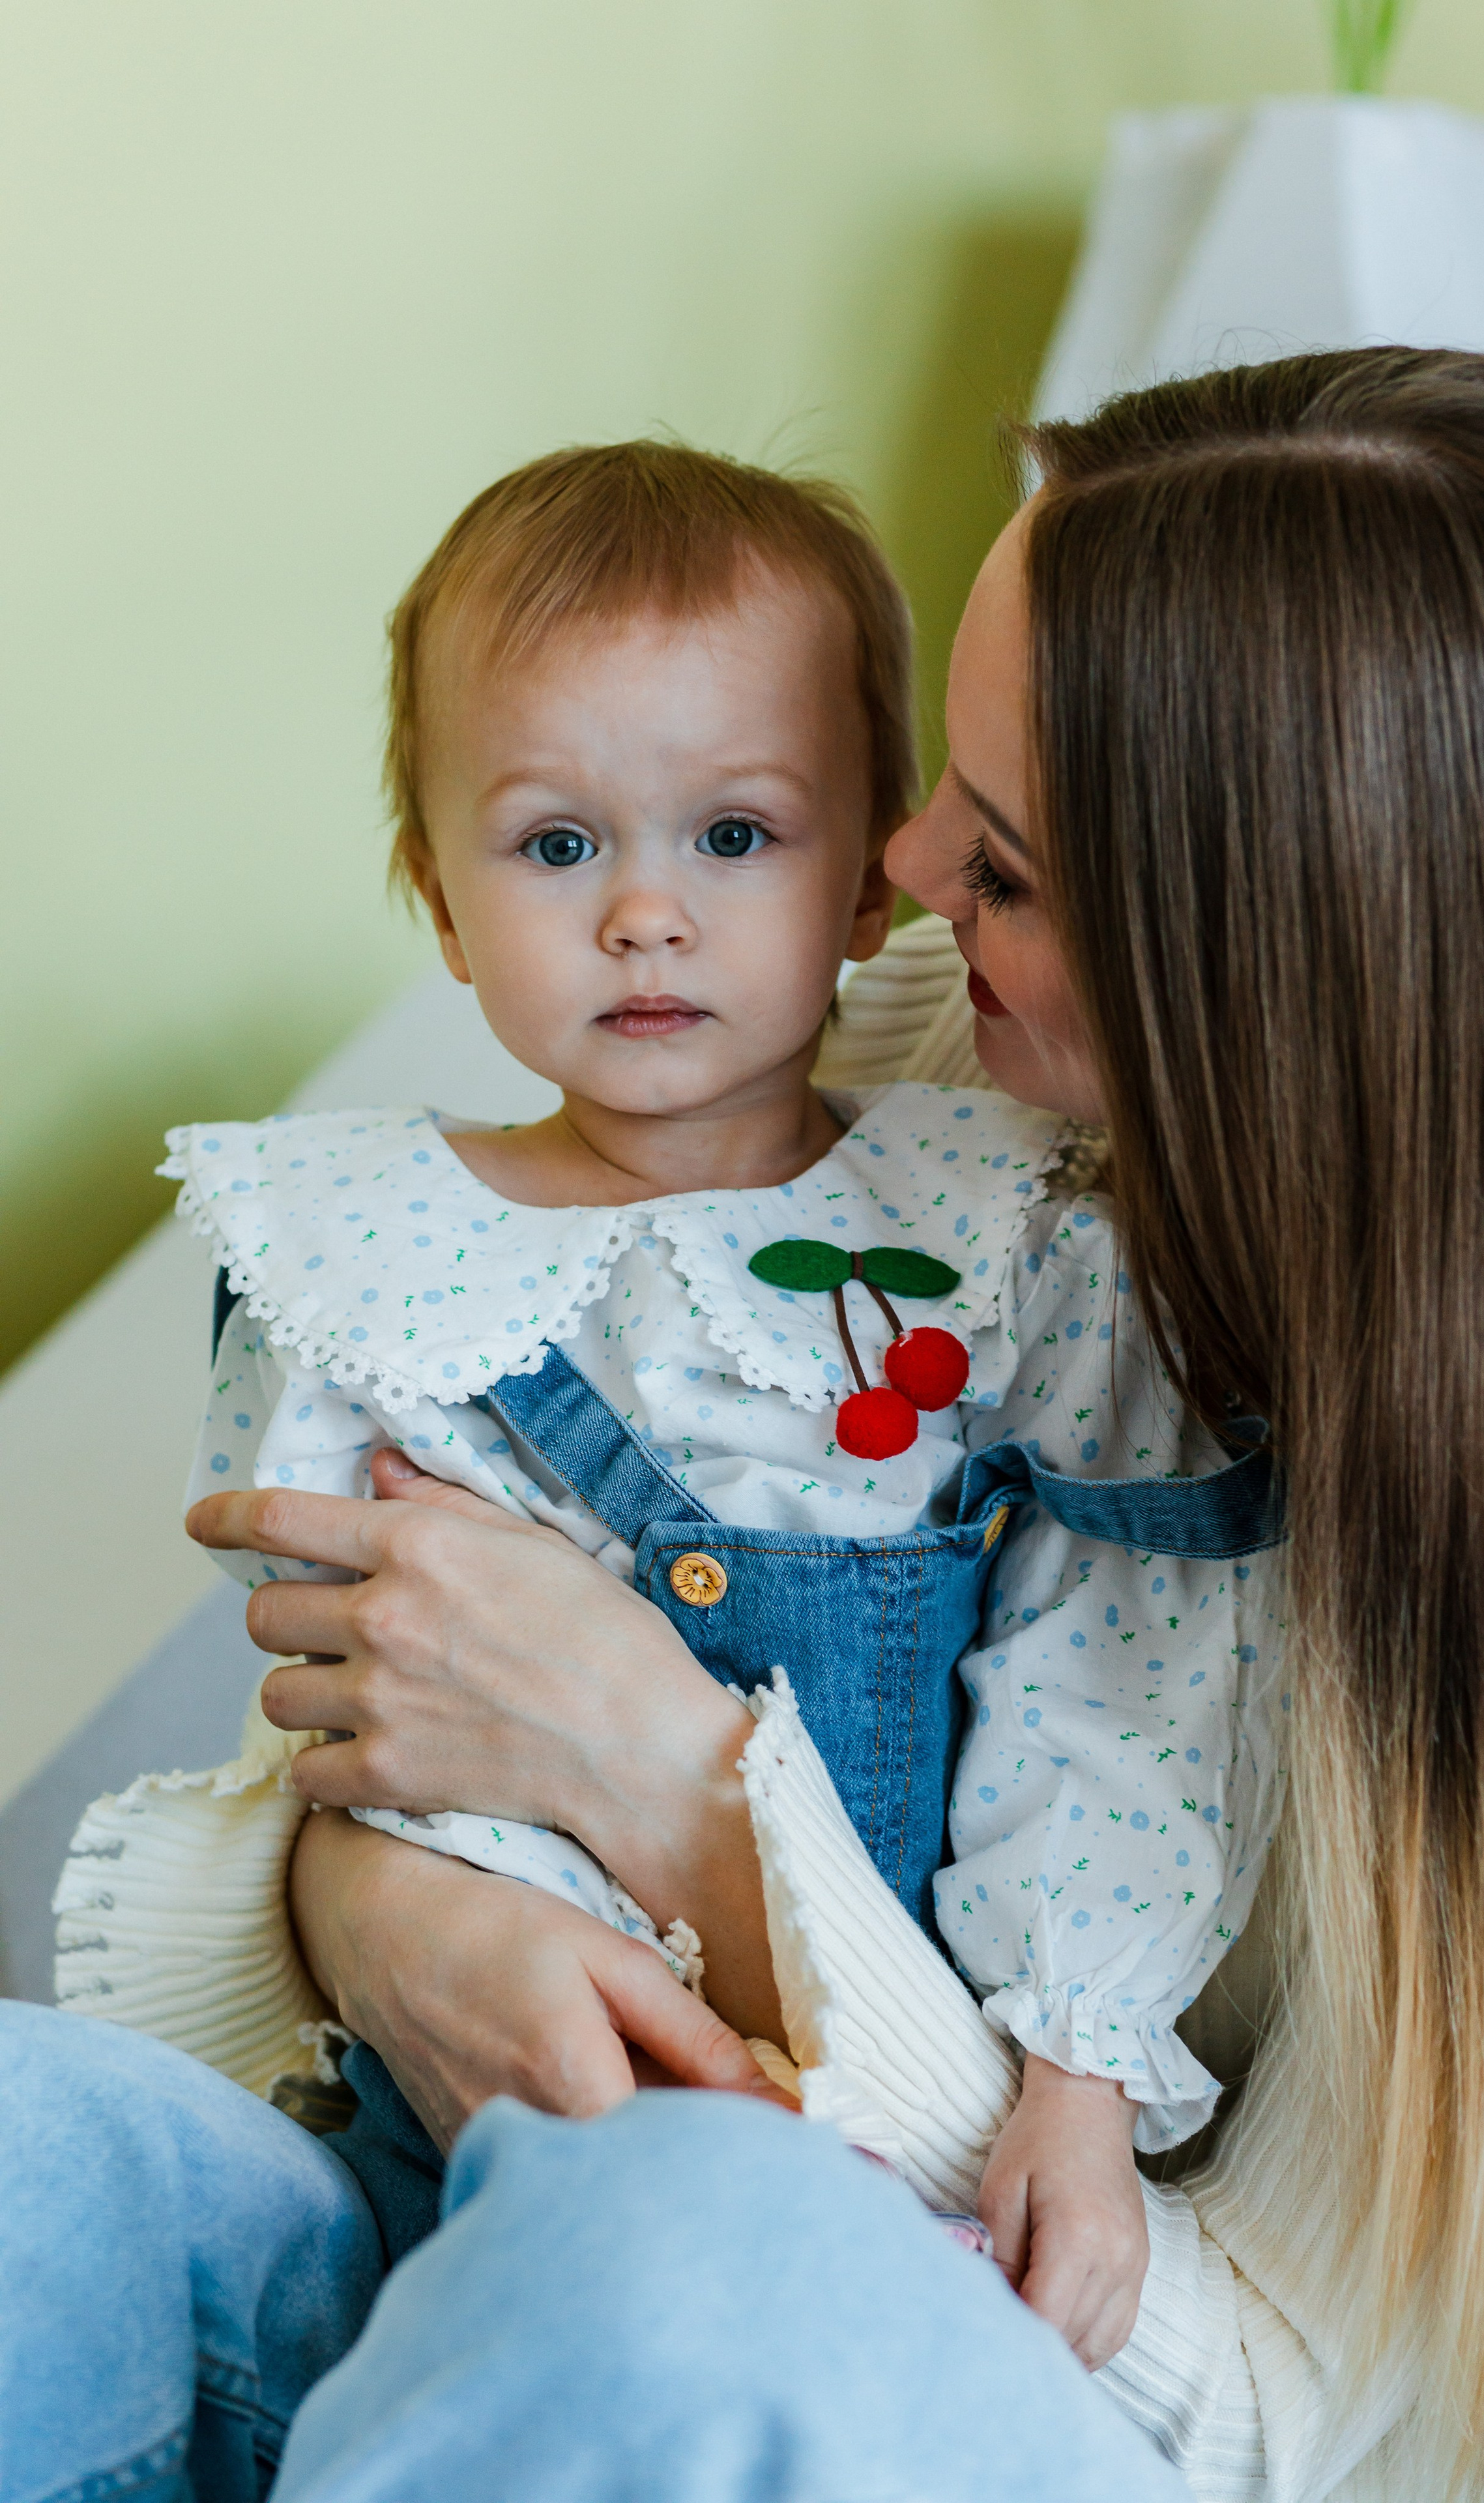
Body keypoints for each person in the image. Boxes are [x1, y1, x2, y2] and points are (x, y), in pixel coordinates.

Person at [18, 340, 1484, 2502]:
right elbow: (383, 1684)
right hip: (506, 2205)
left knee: (690, 2247)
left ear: (1239, 1006)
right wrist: (384, 1910)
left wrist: (697, 1819)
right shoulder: (861, 1069)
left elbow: (1299, 2428)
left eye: (996, 862)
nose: (882, 865)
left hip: (982, 2352)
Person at [157, 438, 1281, 2325]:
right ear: (439, 896)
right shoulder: (362, 1251)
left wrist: (1077, 2093)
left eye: (734, 836)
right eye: (559, 844)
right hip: (453, 2099)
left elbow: (1113, 1690)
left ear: (869, 887)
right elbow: (341, 1718)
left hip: (857, 2128)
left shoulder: (1014, 1232)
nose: (646, 914)